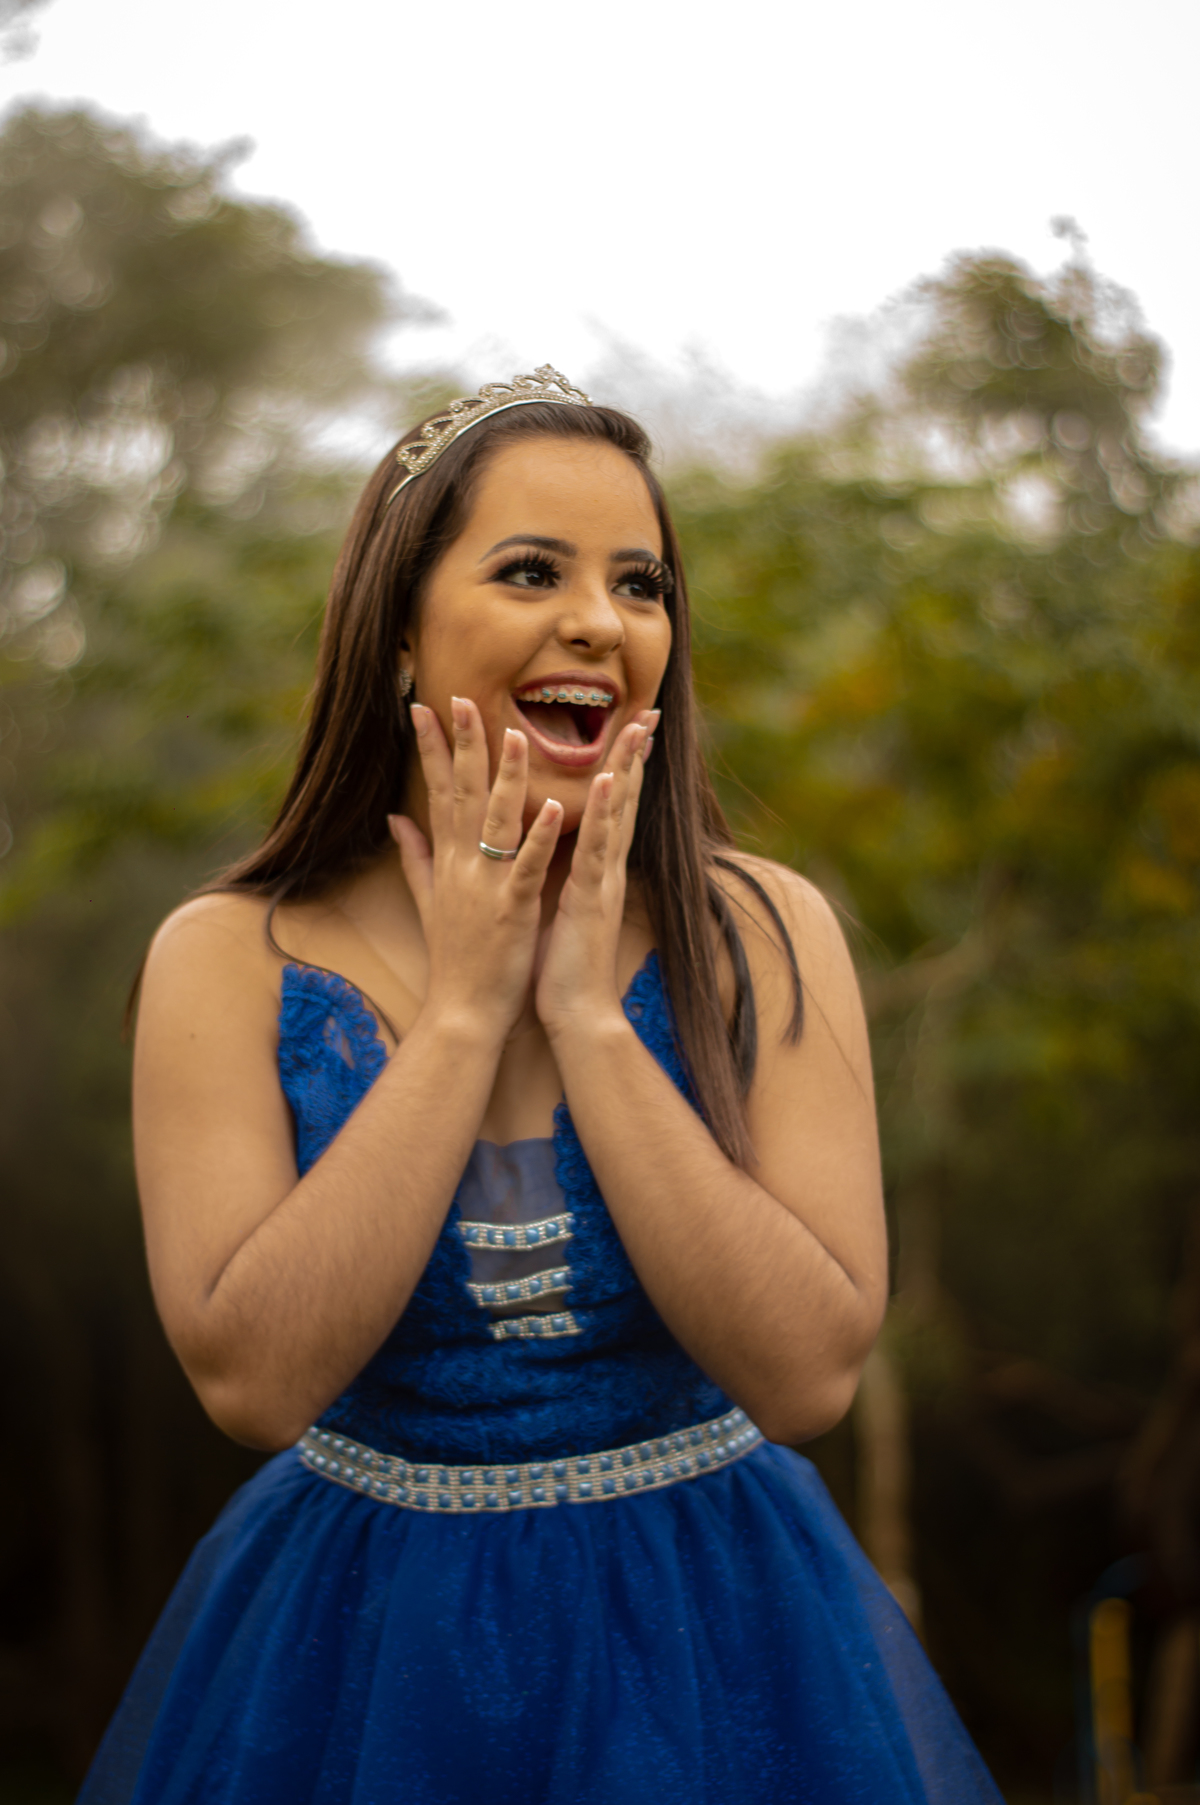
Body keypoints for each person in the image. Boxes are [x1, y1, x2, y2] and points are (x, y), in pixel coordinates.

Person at [80, 368, 1003, 1804]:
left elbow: (810, 1371)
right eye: (531, 570)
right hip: (364, 1661)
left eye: (641, 583)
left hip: (721, 1650)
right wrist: (458, 1016)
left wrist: (586, 1012)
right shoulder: (229, 958)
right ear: (397, 626)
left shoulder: (761, 929)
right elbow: (253, 1378)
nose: (600, 620)